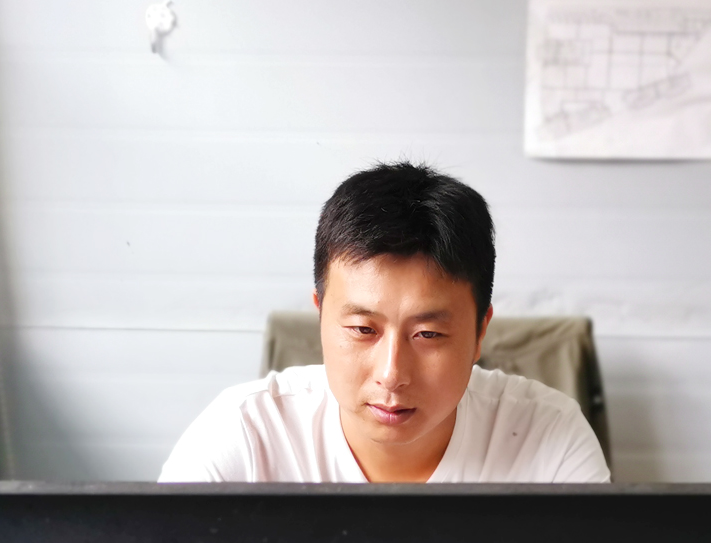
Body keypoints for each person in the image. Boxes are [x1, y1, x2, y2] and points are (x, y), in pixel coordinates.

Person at [159, 162, 610, 483]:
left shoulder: (549, 439)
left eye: (428, 334)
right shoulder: (245, 435)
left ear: (479, 333)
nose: (392, 374)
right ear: (321, 317)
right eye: (363, 330)